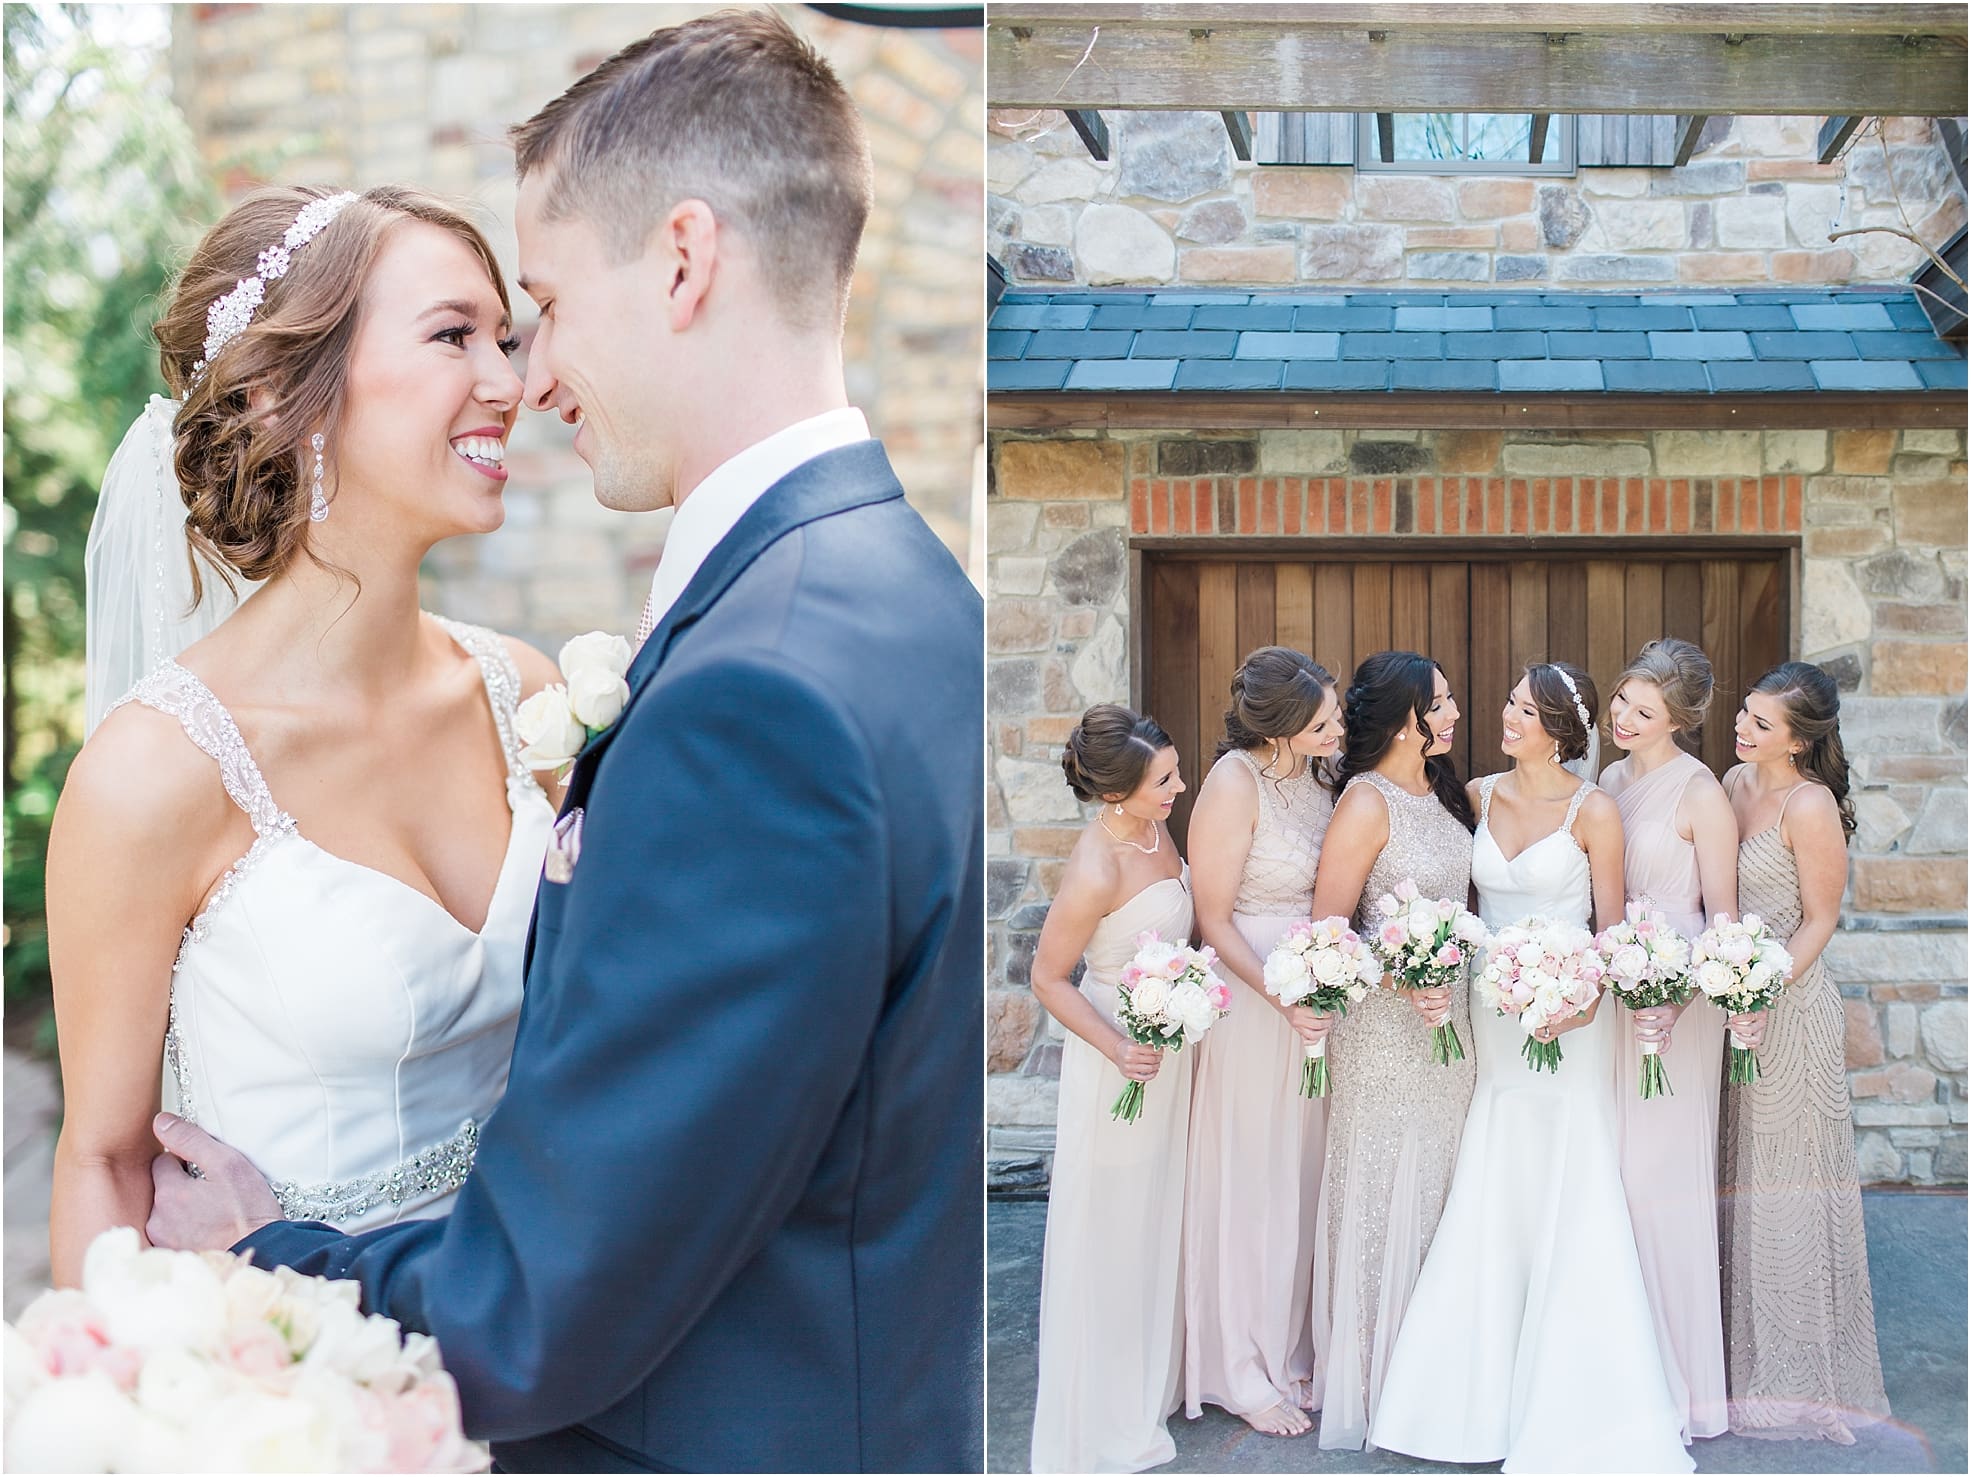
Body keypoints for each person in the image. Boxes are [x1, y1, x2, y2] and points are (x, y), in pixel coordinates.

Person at [145, 14, 984, 1473]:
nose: (526, 379)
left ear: (681, 259)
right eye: (471, 331)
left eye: (539, 305)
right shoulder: (916, 596)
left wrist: (262, 1252)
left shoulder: (755, 693)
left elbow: (536, 1309)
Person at [47, 184, 559, 1283]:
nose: (508, 383)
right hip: (300, 1369)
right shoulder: (157, 771)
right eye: (453, 336)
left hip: (547, 1330)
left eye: (506, 339)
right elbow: (101, 1160)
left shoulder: (530, 697)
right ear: (291, 396)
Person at [1372, 663, 1691, 1474]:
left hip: (1568, 1014)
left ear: (1560, 727)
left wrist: (1582, 1001)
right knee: (1494, 1164)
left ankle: (1578, 1394)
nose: (1505, 715)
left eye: (1523, 708)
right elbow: (1456, 901)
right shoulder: (1473, 793)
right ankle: (1467, 1392)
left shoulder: (1597, 812)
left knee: (1566, 1169)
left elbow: (1611, 930)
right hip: (1490, 1011)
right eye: (1507, 701)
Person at [1302, 650, 1475, 1451]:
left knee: (1443, 1184)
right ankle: (1374, 1380)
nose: (1452, 715)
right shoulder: (1365, 802)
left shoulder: (1443, 794)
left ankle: (1434, 1377)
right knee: (1383, 1183)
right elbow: (1330, 931)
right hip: (1382, 1028)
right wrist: (1402, 977)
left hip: (1453, 1024)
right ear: (1408, 716)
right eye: (1440, 704)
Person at [1718, 662, 1889, 1443]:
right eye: (1744, 713)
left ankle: (1803, 1382)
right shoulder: (1730, 782)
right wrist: (1728, 994)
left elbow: (1819, 920)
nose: (1742, 729)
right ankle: (1736, 1363)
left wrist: (1759, 992)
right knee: (1737, 1177)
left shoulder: (1809, 803)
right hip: (1733, 1005)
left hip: (1788, 1008)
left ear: (1799, 739)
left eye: (1760, 723)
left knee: (1787, 1191)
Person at [1182, 647, 1342, 1437]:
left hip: (1311, 1004)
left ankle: (1288, 1344)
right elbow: (1211, 916)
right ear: (1279, 726)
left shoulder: (1317, 780)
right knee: (1253, 1178)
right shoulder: (1230, 783)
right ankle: (1240, 1365)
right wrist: (1281, 996)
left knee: (1300, 1174)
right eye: (1321, 720)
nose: (1336, 728)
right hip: (1251, 1005)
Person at [1028, 706, 1190, 1475]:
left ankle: (1143, 1383)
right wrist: (1119, 1047)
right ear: (1118, 792)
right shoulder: (1095, 865)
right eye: (1164, 780)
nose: (1179, 787)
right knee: (1110, 1230)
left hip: (1169, 1057)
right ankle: (1098, 1406)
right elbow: (1047, 977)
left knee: (1154, 1222)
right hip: (1117, 1063)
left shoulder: (1158, 833)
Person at [1598, 638, 1737, 1442]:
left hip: (1674, 1005)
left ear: (1678, 720)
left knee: (1660, 1178)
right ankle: (1621, 1361)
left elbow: (1719, 919)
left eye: (1642, 711)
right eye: (1620, 700)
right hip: (1616, 996)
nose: (1621, 718)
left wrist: (1679, 999)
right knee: (1613, 1174)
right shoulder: (1610, 779)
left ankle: (1678, 1383)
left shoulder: (1701, 793)